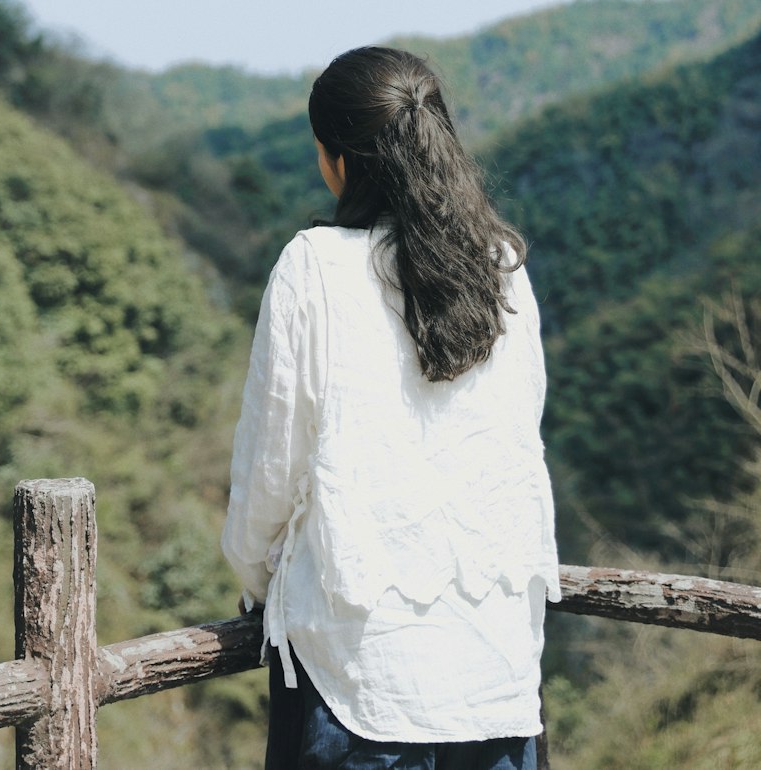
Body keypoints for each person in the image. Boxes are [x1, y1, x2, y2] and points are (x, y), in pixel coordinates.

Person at [221, 45, 560, 770]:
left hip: (358, 673)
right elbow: (522, 436)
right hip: (493, 671)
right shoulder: (503, 266)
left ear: (338, 160)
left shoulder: (313, 267)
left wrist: (256, 577)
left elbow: (270, 471)